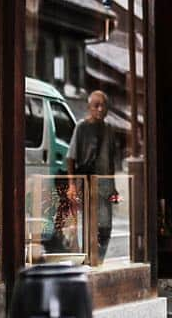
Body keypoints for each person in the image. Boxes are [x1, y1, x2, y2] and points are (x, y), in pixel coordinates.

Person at [67, 90, 117, 260]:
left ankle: (99, 258)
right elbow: (71, 157)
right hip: (87, 181)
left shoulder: (109, 129)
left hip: (104, 183)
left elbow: (111, 161)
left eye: (103, 106)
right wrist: (72, 184)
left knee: (105, 225)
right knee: (88, 222)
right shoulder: (81, 127)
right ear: (89, 107)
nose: (100, 109)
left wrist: (113, 186)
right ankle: (88, 258)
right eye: (96, 106)